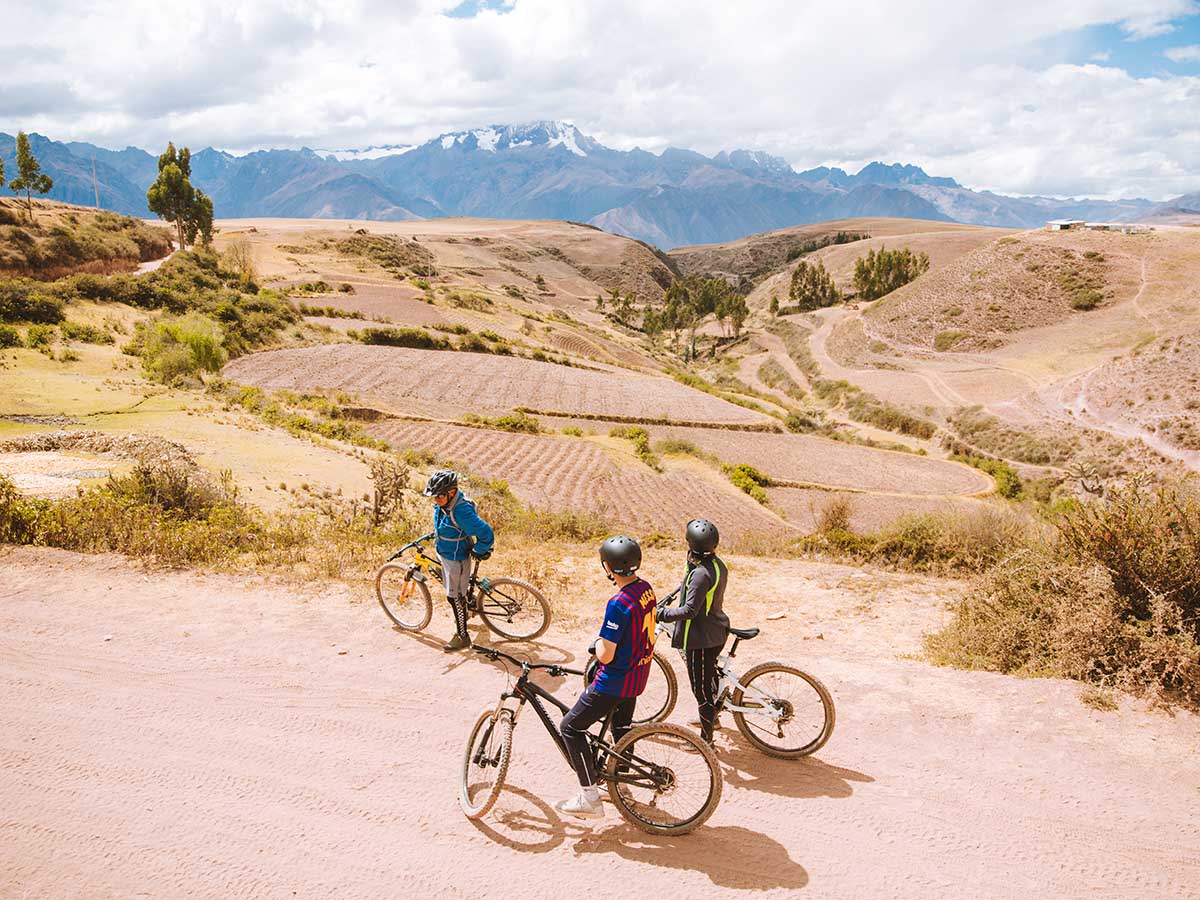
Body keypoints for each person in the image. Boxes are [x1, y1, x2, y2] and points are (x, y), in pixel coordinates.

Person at [556, 535, 657, 821]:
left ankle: (590, 798)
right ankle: (619, 782)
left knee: (570, 728)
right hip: (638, 676)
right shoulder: (646, 589)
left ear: (608, 568)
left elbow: (605, 655)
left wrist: (598, 642)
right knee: (621, 729)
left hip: (614, 681)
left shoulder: (618, 603)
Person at [656, 518, 729, 746]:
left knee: (702, 691)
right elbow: (692, 586)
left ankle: (706, 742)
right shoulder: (717, 565)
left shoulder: (700, 574)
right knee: (710, 678)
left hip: (700, 638)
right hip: (717, 630)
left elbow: (689, 610)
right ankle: (713, 717)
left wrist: (662, 614)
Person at [423, 469, 494, 652]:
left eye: (438, 496)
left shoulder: (461, 510)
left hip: (456, 558)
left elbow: (486, 533)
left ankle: (462, 635)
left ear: (451, 492)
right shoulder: (445, 504)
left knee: (453, 597)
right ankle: (468, 601)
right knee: (451, 585)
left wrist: (480, 549)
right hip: (445, 552)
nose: (435, 500)